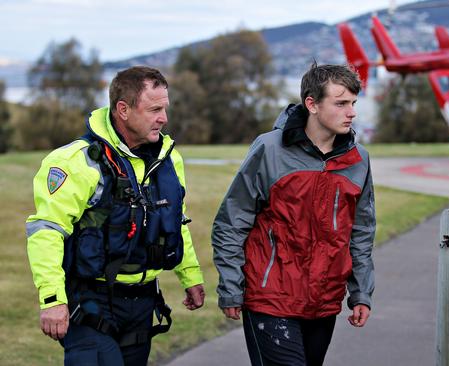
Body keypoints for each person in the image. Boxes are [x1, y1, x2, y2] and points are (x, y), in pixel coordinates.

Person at [26, 66, 205, 365]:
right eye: (154, 109)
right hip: (90, 302)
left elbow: (175, 221)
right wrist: (52, 299)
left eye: (165, 108)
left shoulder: (168, 158)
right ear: (123, 109)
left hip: (143, 303)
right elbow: (47, 231)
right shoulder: (76, 161)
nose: (164, 118)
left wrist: (191, 277)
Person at [212, 63, 375, 366]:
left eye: (353, 103)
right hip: (270, 297)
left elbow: (361, 232)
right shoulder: (269, 149)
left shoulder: (358, 159)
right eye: (340, 103)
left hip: (323, 302)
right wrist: (231, 287)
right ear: (312, 104)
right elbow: (231, 223)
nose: (351, 112)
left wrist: (361, 292)